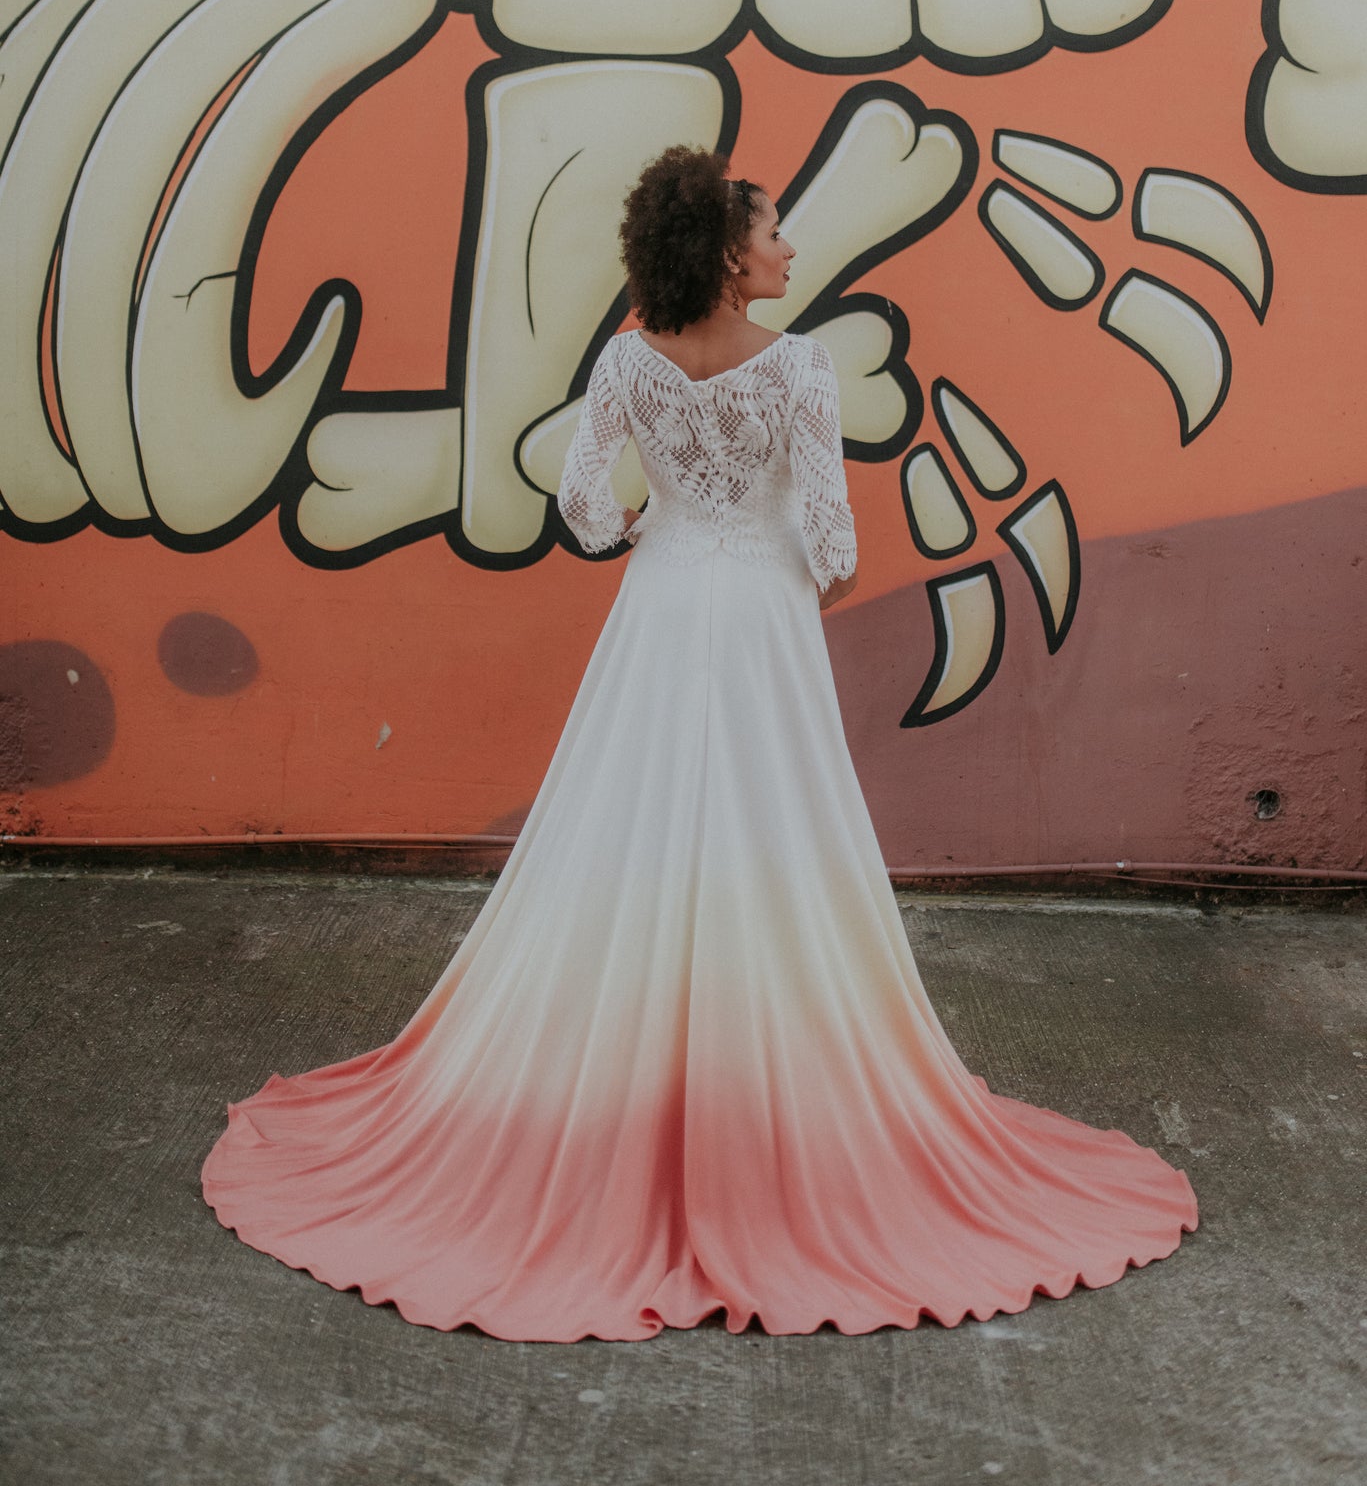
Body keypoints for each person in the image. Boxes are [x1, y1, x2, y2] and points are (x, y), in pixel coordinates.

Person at [202, 146, 1196, 1340]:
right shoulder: (802, 369)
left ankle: (620, 1084)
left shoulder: (628, 358)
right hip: (761, 618)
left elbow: (576, 502)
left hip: (662, 605)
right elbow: (833, 538)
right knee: (773, 836)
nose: (789, 249)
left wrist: (643, 527)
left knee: (633, 825)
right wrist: (798, 578)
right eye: (774, 233)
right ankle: (752, 1085)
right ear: (730, 256)